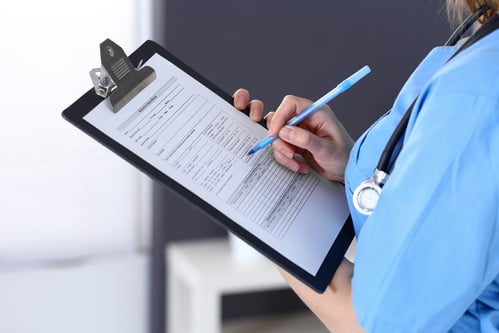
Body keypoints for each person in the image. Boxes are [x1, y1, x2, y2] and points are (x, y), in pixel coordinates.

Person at [232, 0, 499, 332]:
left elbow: (374, 327)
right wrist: (353, 166)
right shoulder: (483, 56)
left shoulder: (477, 93)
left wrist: (252, 209)